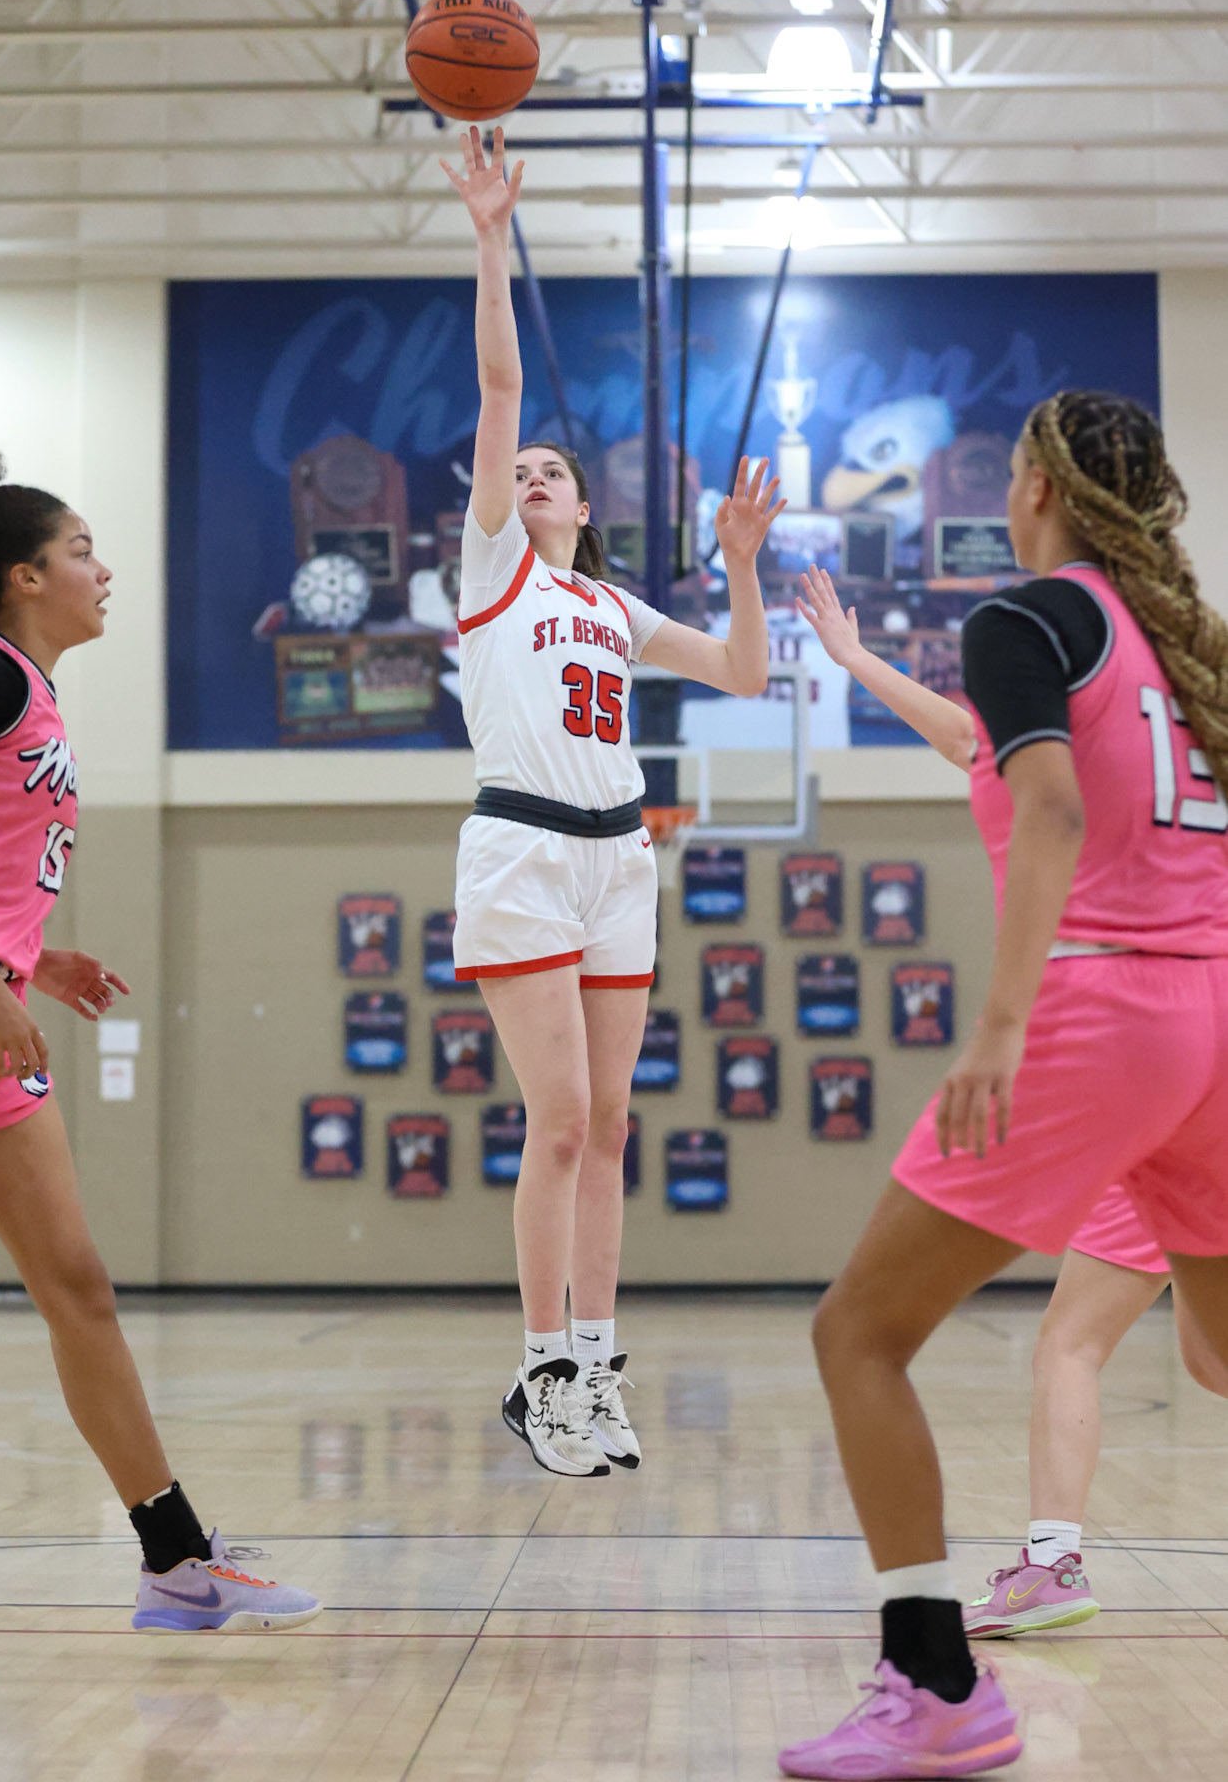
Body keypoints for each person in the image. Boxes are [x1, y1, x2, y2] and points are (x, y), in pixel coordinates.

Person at [777, 392, 1228, 1781]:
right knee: (1216, 1354)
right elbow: (984, 751)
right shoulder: (1184, 646)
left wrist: (999, 1026)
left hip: (1103, 1011)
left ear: (1029, 483)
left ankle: (936, 1686)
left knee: (858, 1333)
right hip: (1214, 1008)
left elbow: (1047, 807)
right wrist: (856, 659)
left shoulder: (1023, 616)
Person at [0, 434, 319, 1668]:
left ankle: (177, 1561)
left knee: (77, 1281)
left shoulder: (34, 688)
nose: (102, 568)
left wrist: (35, 959)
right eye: (81, 549)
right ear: (22, 574)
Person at [441, 126, 780, 1477]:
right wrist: (487, 237)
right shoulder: (493, 574)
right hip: (521, 846)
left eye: (548, 475)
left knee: (617, 1125)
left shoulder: (611, 604)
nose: (528, 479)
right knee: (565, 1119)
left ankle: (596, 1357)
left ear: (584, 505)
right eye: (516, 473)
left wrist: (743, 566)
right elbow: (498, 383)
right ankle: (541, 1372)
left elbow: (746, 674)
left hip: (616, 856)